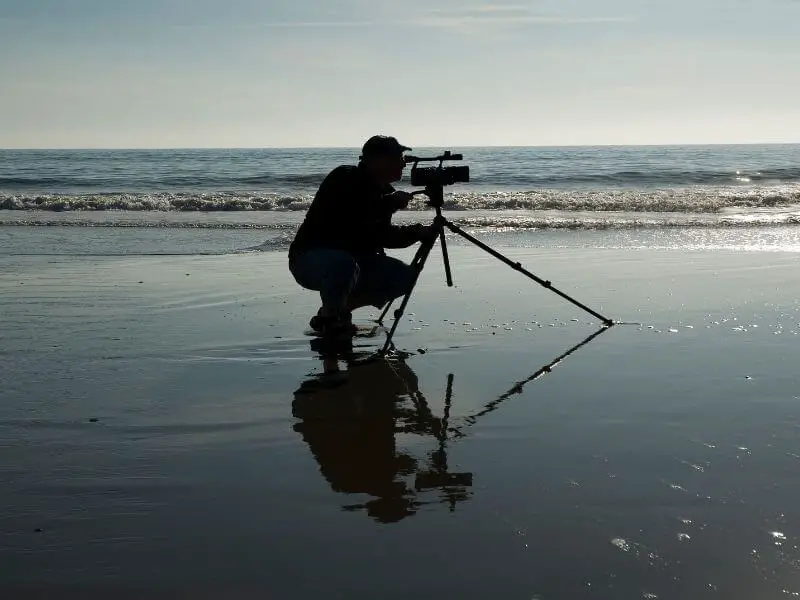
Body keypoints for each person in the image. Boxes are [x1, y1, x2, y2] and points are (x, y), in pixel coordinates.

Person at [288, 135, 436, 336]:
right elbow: (353, 221)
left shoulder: (383, 191)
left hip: (354, 263)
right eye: (397, 158)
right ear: (377, 161)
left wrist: (417, 233)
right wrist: (389, 204)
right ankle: (332, 320)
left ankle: (335, 312)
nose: (403, 163)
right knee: (343, 264)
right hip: (309, 259)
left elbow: (382, 236)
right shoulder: (345, 177)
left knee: (405, 277)